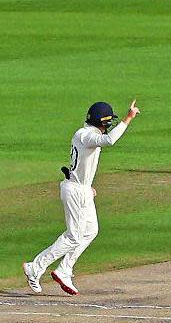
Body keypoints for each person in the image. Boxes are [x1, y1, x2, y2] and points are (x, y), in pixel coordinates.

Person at [22, 100, 141, 296]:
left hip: (82, 188)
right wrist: (128, 118)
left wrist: (87, 186)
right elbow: (109, 141)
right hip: (75, 190)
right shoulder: (85, 135)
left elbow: (82, 164)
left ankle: (64, 269)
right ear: (104, 122)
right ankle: (35, 267)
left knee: (91, 230)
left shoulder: (88, 135)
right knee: (73, 237)